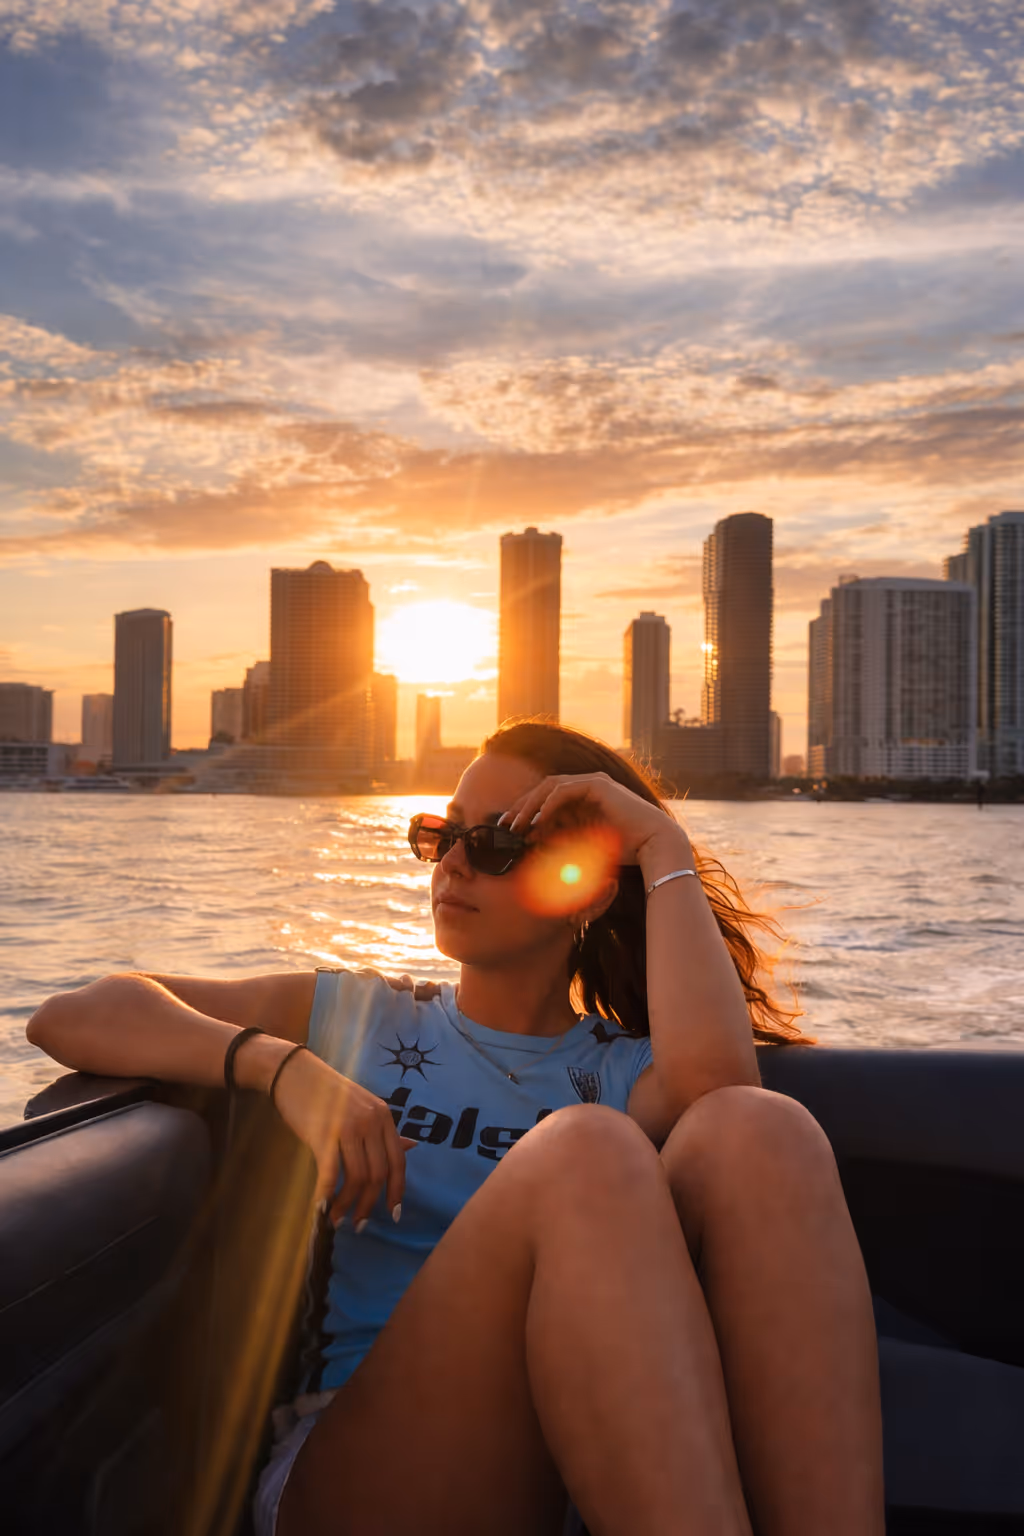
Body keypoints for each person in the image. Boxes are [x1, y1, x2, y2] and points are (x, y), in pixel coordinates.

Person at [26, 720, 884, 1536]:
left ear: (584, 886)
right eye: (444, 835)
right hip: (358, 1473)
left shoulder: (625, 1074)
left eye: (498, 843)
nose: (454, 867)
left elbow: (719, 1089)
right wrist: (284, 1068)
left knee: (763, 1128)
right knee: (587, 1149)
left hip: (559, 1473)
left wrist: (661, 845)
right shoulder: (360, 1017)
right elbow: (78, 1014)